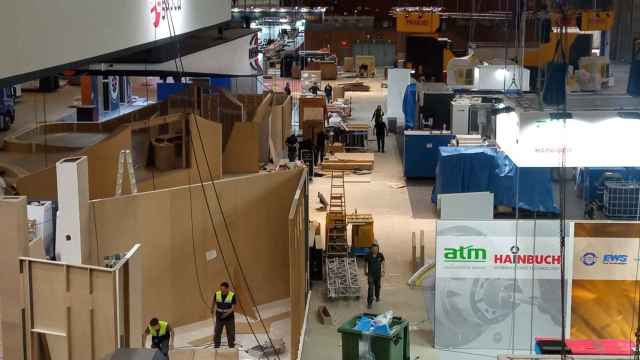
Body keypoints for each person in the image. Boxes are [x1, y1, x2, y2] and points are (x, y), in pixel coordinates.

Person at [212, 282, 237, 349]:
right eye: (221, 289)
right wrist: (212, 309)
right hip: (219, 316)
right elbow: (214, 301)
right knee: (217, 331)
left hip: (229, 316)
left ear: (227, 288)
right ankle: (217, 345)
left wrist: (225, 314)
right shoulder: (217, 294)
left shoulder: (232, 295)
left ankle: (231, 344)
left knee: (231, 331)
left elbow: (233, 308)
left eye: (223, 289)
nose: (222, 291)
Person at [365, 244, 385, 309]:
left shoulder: (380, 255)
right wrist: (365, 271)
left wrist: (383, 271)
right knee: (370, 288)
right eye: (374, 249)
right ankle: (369, 303)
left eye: (376, 249)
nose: (375, 250)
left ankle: (377, 296)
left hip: (378, 275)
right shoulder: (368, 255)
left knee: (378, 286)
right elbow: (365, 264)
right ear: (371, 249)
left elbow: (383, 263)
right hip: (370, 275)